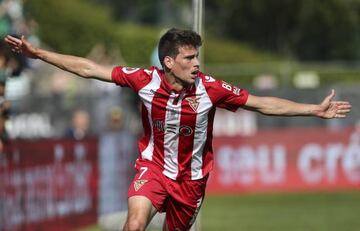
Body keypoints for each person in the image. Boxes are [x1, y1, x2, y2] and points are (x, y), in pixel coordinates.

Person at [4, 28, 352, 231]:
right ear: (169, 62)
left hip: (192, 180)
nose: (197, 64)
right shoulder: (144, 80)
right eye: (189, 58)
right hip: (153, 168)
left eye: (197, 57)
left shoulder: (211, 88)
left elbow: (262, 103)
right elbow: (89, 68)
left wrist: (313, 109)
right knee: (135, 223)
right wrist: (37, 53)